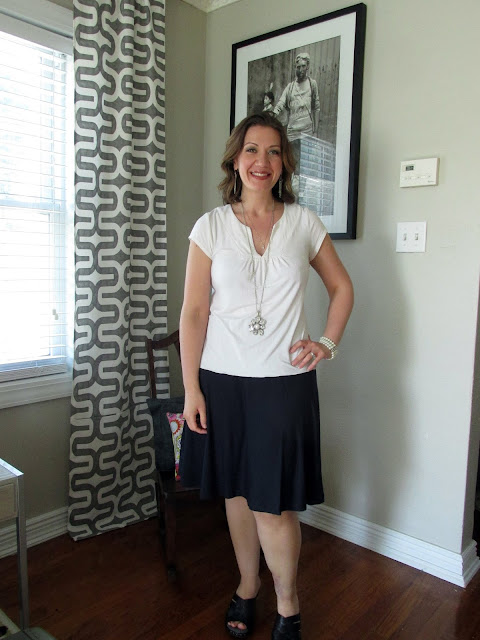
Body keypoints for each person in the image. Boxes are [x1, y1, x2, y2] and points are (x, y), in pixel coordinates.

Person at [179, 112, 353, 640]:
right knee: (236, 493)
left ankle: (288, 603)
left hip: (282, 383)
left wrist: (326, 343)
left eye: (274, 151)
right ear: (235, 159)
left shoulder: (304, 223)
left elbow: (342, 288)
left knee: (272, 504)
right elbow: (194, 312)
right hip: (220, 382)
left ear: (284, 164)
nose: (262, 161)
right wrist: (191, 389)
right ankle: (247, 586)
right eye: (252, 150)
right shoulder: (210, 226)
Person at [273, 53, 320, 142]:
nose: (301, 69)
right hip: (292, 133)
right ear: (295, 68)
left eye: (303, 66)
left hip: (307, 132)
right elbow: (281, 102)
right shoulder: (290, 87)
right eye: (298, 67)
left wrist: (315, 131)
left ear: (307, 66)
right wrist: (273, 113)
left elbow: (316, 108)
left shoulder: (312, 84)